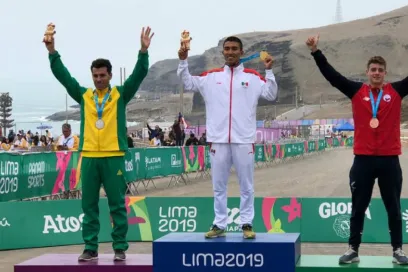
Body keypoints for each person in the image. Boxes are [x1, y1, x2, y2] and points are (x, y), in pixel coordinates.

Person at [306, 33, 408, 265]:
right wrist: (315, 52)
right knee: (358, 207)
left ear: (385, 73)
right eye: (373, 69)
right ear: (367, 72)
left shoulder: (396, 91)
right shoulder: (356, 92)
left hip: (390, 160)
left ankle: (398, 251)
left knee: (393, 207)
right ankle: (353, 249)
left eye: (380, 70)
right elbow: (332, 76)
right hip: (362, 160)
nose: (376, 73)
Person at [45, 25, 154, 262]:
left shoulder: (121, 94)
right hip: (90, 157)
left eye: (102, 75)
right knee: (89, 206)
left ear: (110, 76)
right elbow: (64, 77)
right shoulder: (84, 96)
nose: (98, 79)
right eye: (95, 75)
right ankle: (90, 247)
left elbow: (138, 75)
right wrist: (53, 53)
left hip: (114, 155)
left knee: (117, 205)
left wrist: (143, 52)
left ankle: (120, 247)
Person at [177, 36, 278, 239]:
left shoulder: (252, 77)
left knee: (246, 186)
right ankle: (219, 223)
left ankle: (246, 223)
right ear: (223, 52)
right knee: (219, 186)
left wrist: (268, 71)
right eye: (227, 49)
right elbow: (187, 82)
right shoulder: (211, 77)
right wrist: (183, 60)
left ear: (241, 52)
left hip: (244, 140)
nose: (230, 52)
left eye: (234, 49)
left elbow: (271, 94)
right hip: (218, 140)